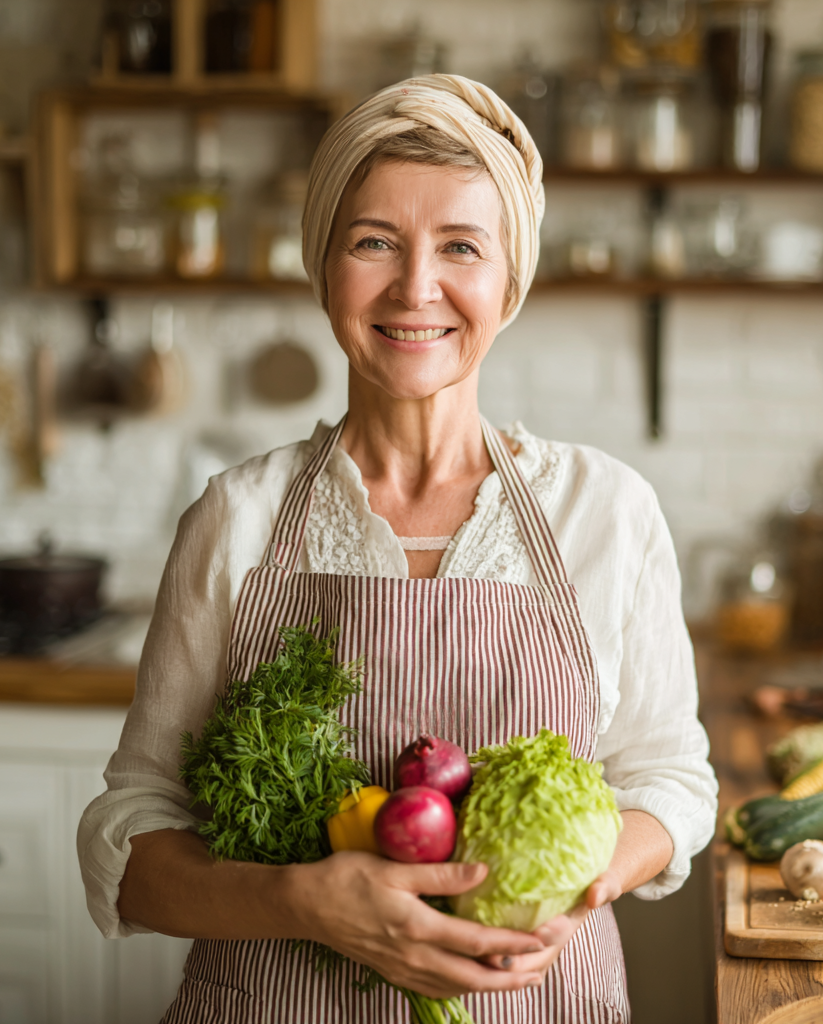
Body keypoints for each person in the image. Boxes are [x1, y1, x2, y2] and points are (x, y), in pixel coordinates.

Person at [78, 74, 717, 1023]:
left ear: (510, 280)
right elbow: (130, 845)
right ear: (324, 266)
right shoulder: (237, 517)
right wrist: (298, 900)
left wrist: (568, 888)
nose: (417, 288)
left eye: (461, 246)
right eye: (374, 242)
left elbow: (670, 782)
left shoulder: (604, 511)